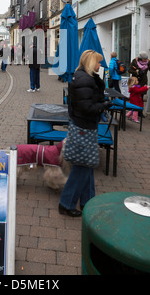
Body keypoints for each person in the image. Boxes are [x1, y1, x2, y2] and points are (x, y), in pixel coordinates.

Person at [59, 50, 111, 217]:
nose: (100, 65)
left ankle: (88, 201)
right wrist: (105, 105)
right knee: (82, 167)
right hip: (84, 127)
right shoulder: (85, 79)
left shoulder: (82, 76)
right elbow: (86, 107)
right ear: (90, 63)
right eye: (97, 62)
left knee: (87, 165)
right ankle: (66, 204)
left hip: (83, 125)